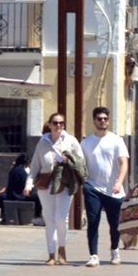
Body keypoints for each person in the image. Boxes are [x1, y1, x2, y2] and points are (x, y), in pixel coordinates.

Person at [29, 112, 85, 265]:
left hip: (65, 183)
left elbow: (81, 161)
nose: (58, 126)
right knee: (49, 218)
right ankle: (51, 254)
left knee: (61, 218)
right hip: (45, 184)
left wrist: (69, 160)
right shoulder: (42, 142)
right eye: (55, 123)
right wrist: (29, 184)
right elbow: (35, 165)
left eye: (61, 123)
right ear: (50, 124)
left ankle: (62, 248)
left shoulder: (70, 140)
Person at [80, 106, 130, 267]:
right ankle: (93, 255)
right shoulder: (86, 143)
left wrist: (119, 182)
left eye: (105, 119)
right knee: (93, 220)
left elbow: (124, 163)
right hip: (92, 187)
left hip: (114, 190)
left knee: (114, 224)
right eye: (99, 119)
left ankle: (115, 250)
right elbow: (81, 165)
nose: (103, 121)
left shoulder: (117, 140)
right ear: (94, 121)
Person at [0, 153, 31, 222]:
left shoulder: (14, 170)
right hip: (19, 197)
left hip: (11, 196)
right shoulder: (22, 171)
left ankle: (4, 215)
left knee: (2, 196)